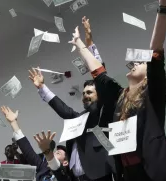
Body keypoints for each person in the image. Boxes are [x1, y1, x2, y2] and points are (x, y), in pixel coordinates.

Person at [67, 0, 166, 180]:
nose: (135, 63)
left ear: (149, 76)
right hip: (127, 173)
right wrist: (80, 44)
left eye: (141, 63)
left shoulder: (152, 94)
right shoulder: (120, 96)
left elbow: (156, 49)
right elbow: (98, 72)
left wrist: (163, 8)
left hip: (152, 171)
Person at [27, 16, 115, 181]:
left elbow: (102, 79)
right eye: (83, 93)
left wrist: (89, 42)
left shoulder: (101, 112)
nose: (85, 96)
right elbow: (64, 110)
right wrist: (42, 88)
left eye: (90, 92)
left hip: (101, 175)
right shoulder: (80, 118)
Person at [0, 106, 71, 181]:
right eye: (55, 152)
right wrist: (13, 123)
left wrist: (47, 151)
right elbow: (28, 151)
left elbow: (55, 166)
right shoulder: (43, 168)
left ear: (65, 162)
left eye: (58, 153)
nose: (54, 153)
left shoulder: (65, 177)